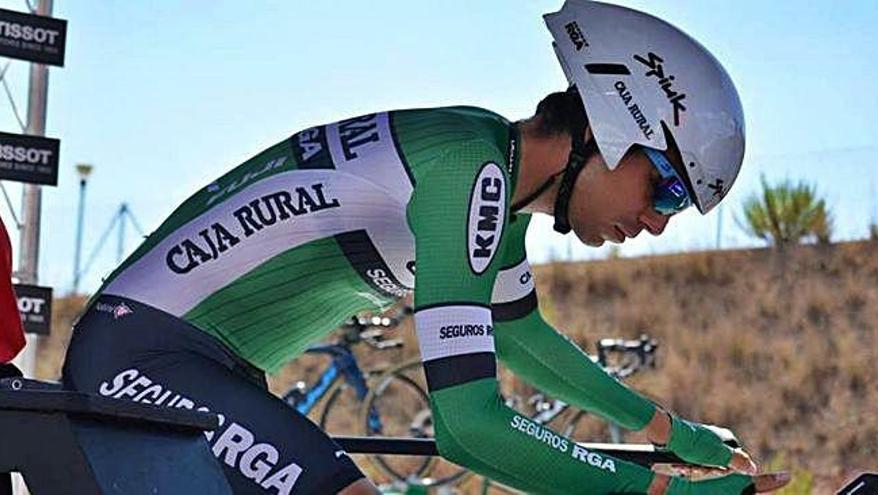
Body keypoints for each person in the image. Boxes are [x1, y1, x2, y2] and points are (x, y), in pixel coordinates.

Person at [62, 1, 790, 494]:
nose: (658, 223)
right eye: (663, 190)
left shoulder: (495, 177)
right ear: (603, 131)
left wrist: (673, 432)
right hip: (142, 359)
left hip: (190, 362)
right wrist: (653, 487)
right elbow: (469, 427)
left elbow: (525, 341)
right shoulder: (466, 170)